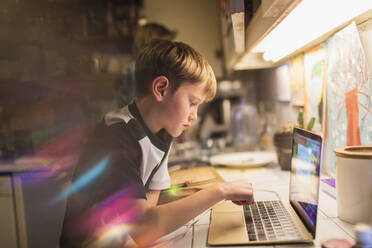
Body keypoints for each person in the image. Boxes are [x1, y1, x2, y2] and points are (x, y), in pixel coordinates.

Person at [60, 39, 254, 248]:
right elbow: (144, 225)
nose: (194, 116)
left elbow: (147, 209)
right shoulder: (117, 137)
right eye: (192, 103)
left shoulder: (162, 132)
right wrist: (220, 191)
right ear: (161, 88)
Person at [116, 22, 177, 108]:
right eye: (168, 47)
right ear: (152, 46)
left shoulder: (157, 70)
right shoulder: (134, 69)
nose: (172, 51)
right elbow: (133, 107)